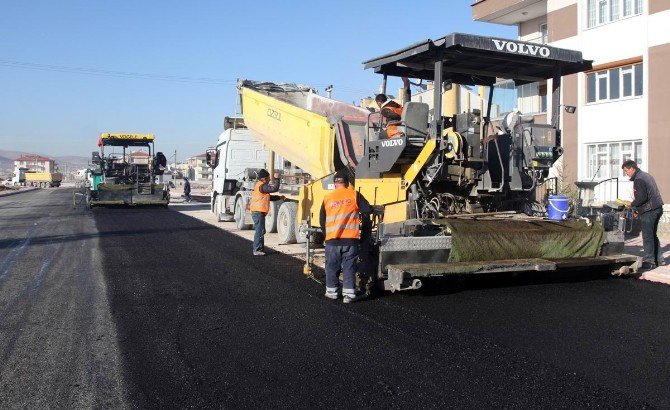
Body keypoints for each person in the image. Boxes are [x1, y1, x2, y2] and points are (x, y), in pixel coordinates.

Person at [319, 169, 371, 303]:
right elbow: (368, 210)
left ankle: (332, 292)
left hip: (332, 241)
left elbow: (322, 220)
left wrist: (327, 236)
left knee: (332, 266)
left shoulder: (327, 198)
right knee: (349, 266)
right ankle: (349, 295)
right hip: (350, 241)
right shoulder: (354, 195)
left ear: (335, 184)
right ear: (347, 183)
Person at [621, 160, 665, 270]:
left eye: (626, 171)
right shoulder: (645, 175)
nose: (626, 173)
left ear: (632, 169)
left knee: (647, 236)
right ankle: (660, 260)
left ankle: (650, 261)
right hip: (657, 207)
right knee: (652, 235)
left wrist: (631, 204)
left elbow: (642, 198)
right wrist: (637, 210)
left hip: (649, 210)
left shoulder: (639, 179)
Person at [249, 169, 281, 256]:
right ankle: (257, 249)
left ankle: (260, 249)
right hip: (258, 212)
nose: (269, 180)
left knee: (261, 231)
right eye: (268, 178)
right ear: (264, 179)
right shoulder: (262, 186)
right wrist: (277, 179)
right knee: (260, 231)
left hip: (258, 212)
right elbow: (274, 188)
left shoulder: (261, 186)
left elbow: (267, 197)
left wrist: (279, 198)